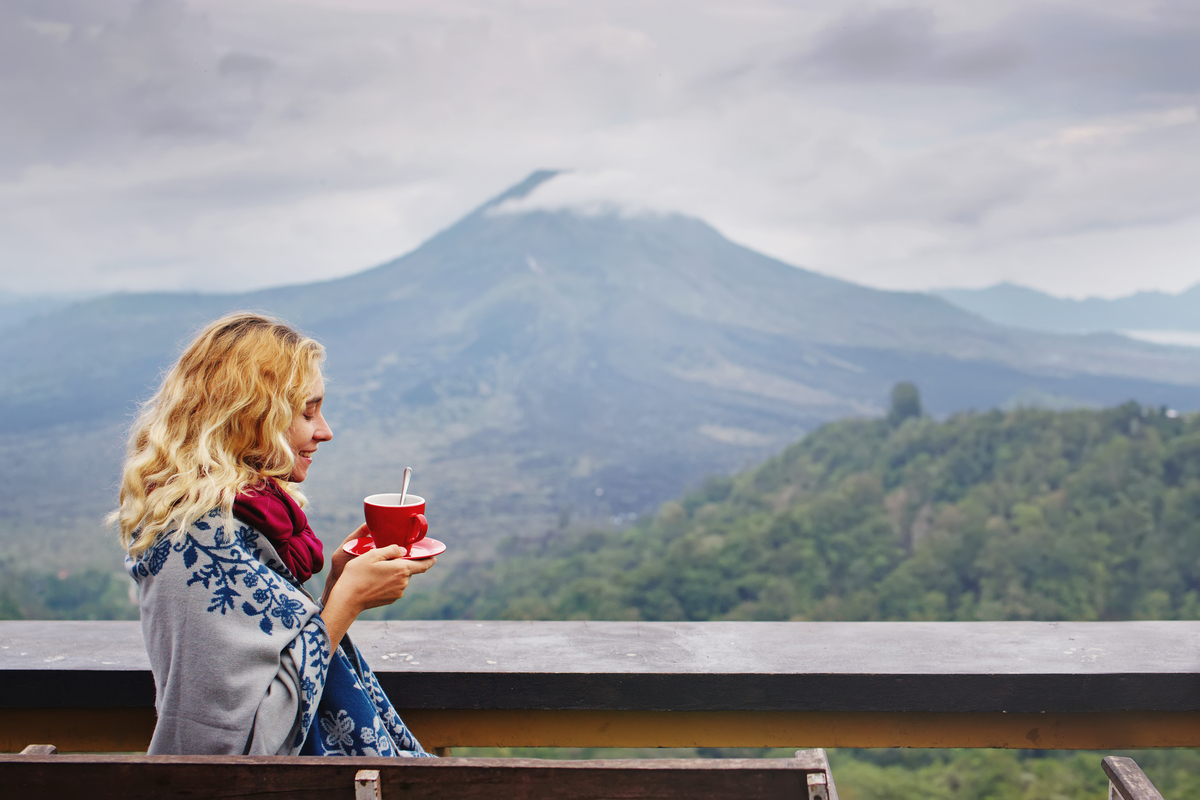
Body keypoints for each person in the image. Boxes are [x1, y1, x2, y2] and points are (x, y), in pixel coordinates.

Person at [110, 311, 436, 756]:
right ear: (249, 416)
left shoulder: (241, 520)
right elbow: (241, 745)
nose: (325, 431)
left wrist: (337, 586)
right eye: (307, 411)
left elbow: (270, 659)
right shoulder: (198, 542)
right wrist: (345, 604)